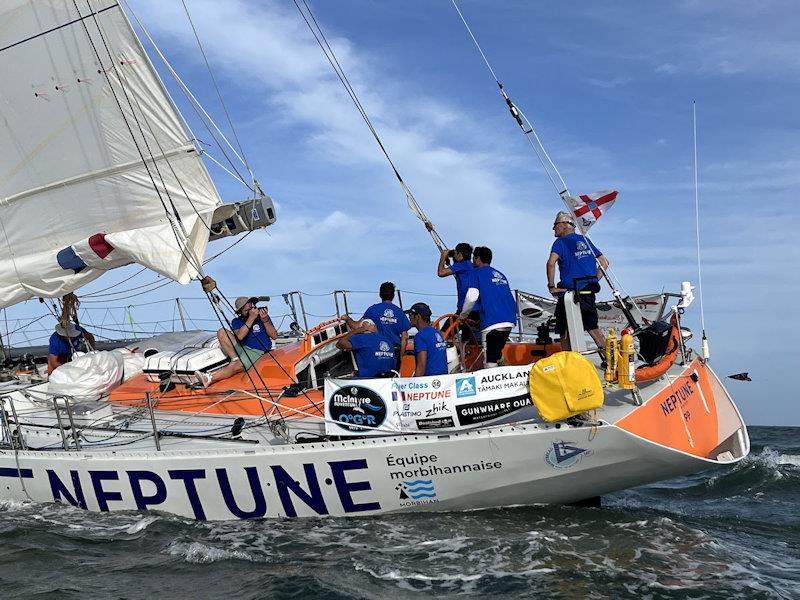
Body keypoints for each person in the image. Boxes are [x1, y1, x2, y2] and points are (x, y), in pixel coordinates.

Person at [546, 211, 609, 351]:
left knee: (564, 330)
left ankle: (569, 363)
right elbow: (604, 263)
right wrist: (593, 281)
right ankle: (612, 361)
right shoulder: (586, 240)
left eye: (555, 225)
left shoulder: (560, 242)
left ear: (564, 225)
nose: (553, 229)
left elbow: (551, 263)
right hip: (588, 291)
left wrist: (551, 286)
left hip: (569, 294)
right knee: (593, 327)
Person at [196, 296, 278, 387]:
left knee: (236, 366)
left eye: (251, 307)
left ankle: (210, 378)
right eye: (247, 310)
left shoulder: (262, 318)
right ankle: (235, 359)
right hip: (242, 347)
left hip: (257, 351)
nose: (251, 311)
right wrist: (251, 318)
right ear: (240, 312)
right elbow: (239, 337)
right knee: (222, 332)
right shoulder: (237, 321)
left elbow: (274, 336)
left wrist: (265, 321)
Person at [459, 246, 517, 368]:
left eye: (473, 258)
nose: (472, 261)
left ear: (478, 258)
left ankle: (496, 386)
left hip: (492, 322)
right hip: (509, 319)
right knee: (496, 352)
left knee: (489, 360)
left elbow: (471, 296)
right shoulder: (500, 274)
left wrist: (462, 316)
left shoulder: (475, 273)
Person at [346, 282, 410, 369]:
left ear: (380, 294)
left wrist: (347, 318)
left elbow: (356, 327)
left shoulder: (373, 310)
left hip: (378, 351)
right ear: (393, 295)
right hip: (394, 351)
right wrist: (400, 357)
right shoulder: (399, 312)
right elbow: (405, 337)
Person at [437, 242, 480, 340]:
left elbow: (441, 273)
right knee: (466, 340)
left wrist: (443, 257)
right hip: (476, 310)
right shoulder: (470, 265)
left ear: (460, 255)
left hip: (465, 309)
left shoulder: (462, 265)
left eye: (456, 253)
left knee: (443, 334)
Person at [406, 302, 448, 376]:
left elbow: (421, 366)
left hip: (429, 381)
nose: (409, 317)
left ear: (418, 316)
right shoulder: (437, 333)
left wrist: (414, 384)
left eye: (410, 315)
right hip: (443, 379)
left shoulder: (420, 336)